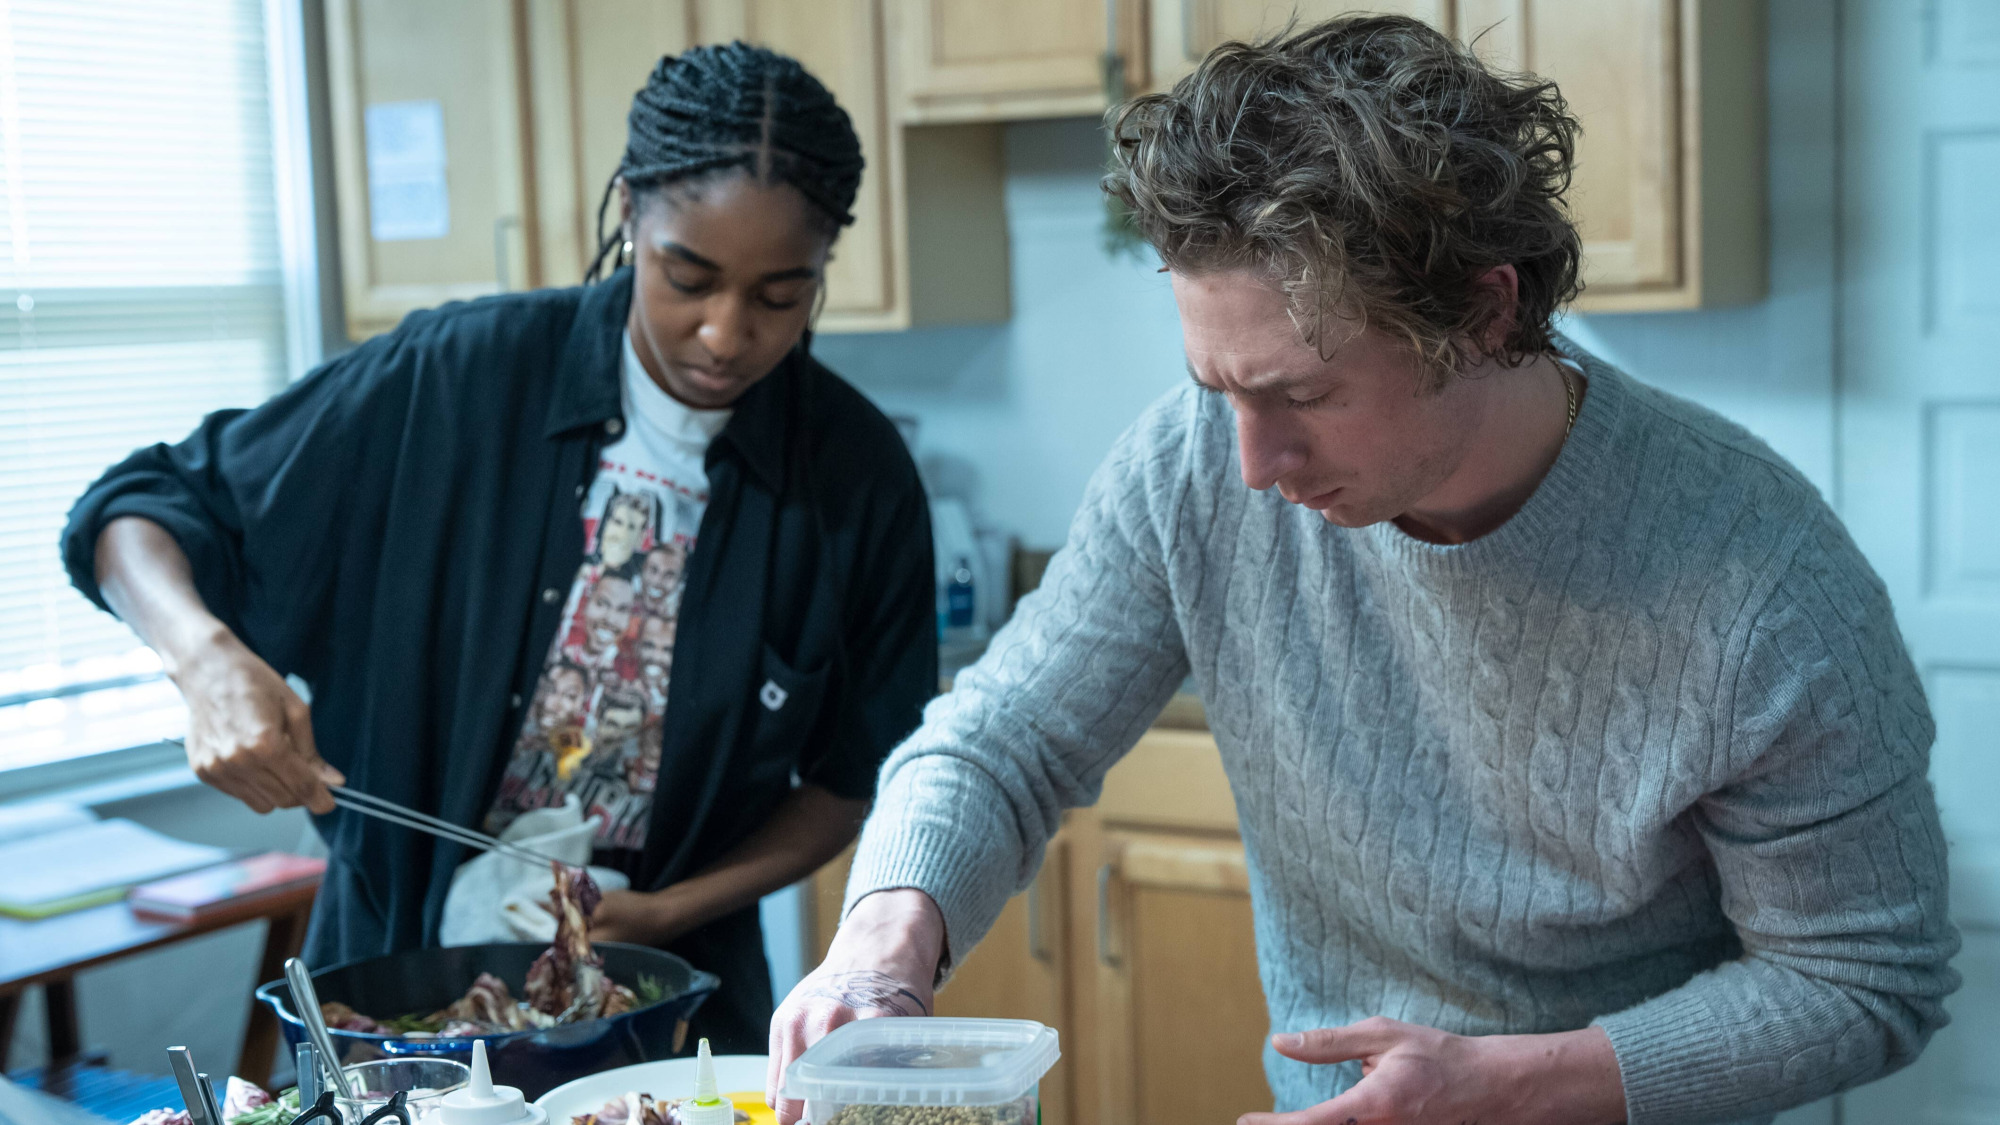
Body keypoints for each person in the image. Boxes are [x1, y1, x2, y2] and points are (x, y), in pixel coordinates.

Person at [769, 16, 1958, 1125]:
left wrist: (1499, 1086)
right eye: (1215, 390)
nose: (1248, 463)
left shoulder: (1763, 585)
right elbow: (1001, 741)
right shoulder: (1191, 472)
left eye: (1299, 394)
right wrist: (882, 942)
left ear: (1484, 316)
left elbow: (1859, 982)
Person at [63, 42, 935, 1054]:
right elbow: (141, 505)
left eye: (780, 296)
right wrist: (205, 662)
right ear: (628, 211)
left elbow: (852, 778)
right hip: (389, 1003)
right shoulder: (452, 379)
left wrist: (668, 909)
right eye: (685, 278)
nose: (723, 334)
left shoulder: (853, 476)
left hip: (677, 1006)